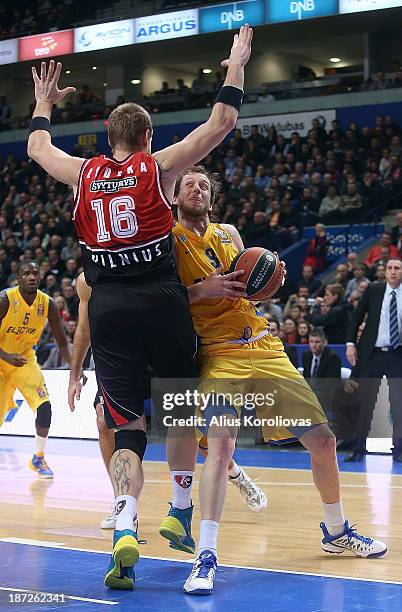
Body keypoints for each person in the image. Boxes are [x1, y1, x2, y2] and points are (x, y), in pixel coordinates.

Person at [28, 28, 254, 592]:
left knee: (125, 427)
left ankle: (124, 519)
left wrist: (42, 104)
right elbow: (221, 122)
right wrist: (235, 65)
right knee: (177, 408)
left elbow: (36, 147)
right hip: (162, 301)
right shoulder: (158, 168)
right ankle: (179, 507)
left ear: (108, 137)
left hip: (108, 308)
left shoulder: (84, 174)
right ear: (148, 136)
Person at [169, 165, 386, 595]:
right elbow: (159, 301)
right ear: (175, 195)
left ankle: (336, 529)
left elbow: (248, 286)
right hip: (218, 352)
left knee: (324, 441)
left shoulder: (230, 234)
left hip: (264, 346)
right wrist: (200, 291)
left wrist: (269, 284)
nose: (198, 188)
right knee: (223, 438)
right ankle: (206, 553)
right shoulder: (168, 240)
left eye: (205, 185)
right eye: (189, 183)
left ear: (213, 198)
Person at [71, 272, 267, 529]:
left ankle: (236, 474)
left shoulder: (161, 262)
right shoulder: (88, 280)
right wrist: (75, 373)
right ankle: (123, 503)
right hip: (123, 357)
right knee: (104, 422)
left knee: (197, 433)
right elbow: (84, 328)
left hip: (167, 344)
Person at [0, 261, 70, 477]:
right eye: (26, 273)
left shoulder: (47, 303)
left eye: (35, 273)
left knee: (44, 406)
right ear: (18, 277)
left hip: (24, 360)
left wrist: (75, 370)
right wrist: (6, 356)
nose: (31, 277)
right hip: (2, 359)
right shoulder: (5, 300)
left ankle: (38, 458)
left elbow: (61, 341)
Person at [346, 259, 402, 462]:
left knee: (398, 404)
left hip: (398, 355)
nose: (393, 272)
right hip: (373, 354)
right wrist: (350, 343)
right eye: (390, 268)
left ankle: (399, 451)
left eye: (397, 268)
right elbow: (356, 317)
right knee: (365, 403)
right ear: (385, 272)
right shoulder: (374, 290)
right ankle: (357, 448)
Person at [302, 329, 342, 420]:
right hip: (310, 393)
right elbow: (306, 378)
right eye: (311, 342)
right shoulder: (306, 356)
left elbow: (330, 383)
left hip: (327, 394)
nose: (313, 345)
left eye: (317, 342)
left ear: (324, 342)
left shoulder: (332, 357)